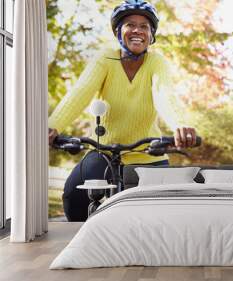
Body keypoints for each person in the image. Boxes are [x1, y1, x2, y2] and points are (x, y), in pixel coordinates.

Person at [48, 0, 197, 222]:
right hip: (103, 151)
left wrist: (179, 124)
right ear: (119, 31)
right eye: (130, 24)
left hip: (149, 154)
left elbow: (164, 94)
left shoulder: (156, 62)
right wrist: (53, 125)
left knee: (167, 210)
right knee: (73, 197)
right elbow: (80, 92)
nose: (137, 30)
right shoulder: (105, 59)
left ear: (151, 34)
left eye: (144, 26)